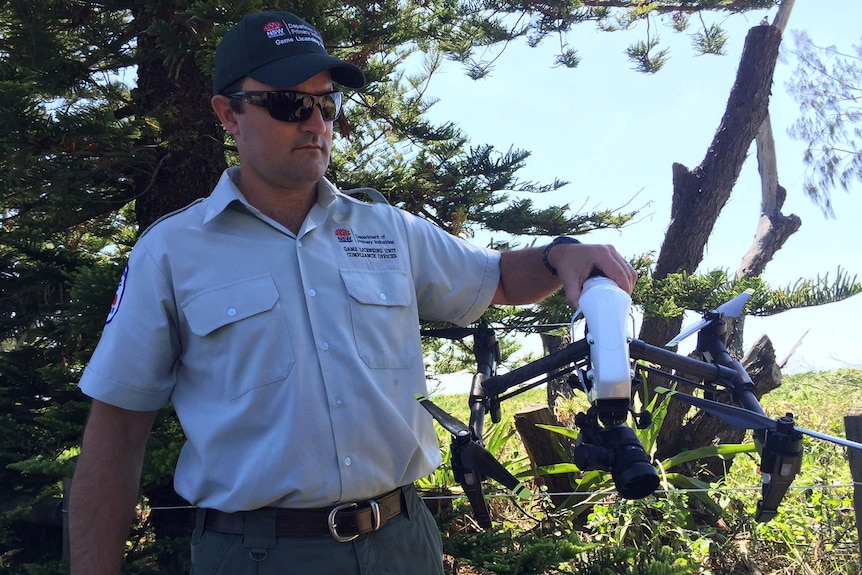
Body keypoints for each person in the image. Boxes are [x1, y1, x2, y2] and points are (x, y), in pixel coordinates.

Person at [68, 10, 637, 575]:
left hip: (403, 543)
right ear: (229, 114)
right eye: (292, 104)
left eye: (327, 104)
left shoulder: (389, 230)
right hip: (257, 555)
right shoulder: (170, 252)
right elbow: (116, 432)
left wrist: (560, 253)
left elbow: (499, 279)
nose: (315, 123)